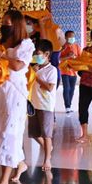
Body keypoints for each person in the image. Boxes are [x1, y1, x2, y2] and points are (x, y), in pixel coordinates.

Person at [0, 9, 35, 184]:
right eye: (3, 22)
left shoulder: (27, 44)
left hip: (15, 94)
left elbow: (17, 65)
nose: (4, 25)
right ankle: (19, 163)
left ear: (17, 25)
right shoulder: (3, 43)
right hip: (0, 92)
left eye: (8, 22)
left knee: (9, 134)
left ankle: (3, 182)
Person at [29, 39, 57, 172]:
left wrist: (36, 76)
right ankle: (48, 148)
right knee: (34, 133)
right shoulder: (34, 68)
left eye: (38, 53)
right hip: (34, 104)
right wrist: (32, 73)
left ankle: (47, 159)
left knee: (46, 135)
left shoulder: (52, 70)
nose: (36, 56)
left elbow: (50, 88)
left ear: (47, 54)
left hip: (46, 106)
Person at [60, 30, 82, 113]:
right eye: (70, 36)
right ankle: (67, 107)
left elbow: (80, 59)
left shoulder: (77, 46)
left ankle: (69, 104)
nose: (72, 38)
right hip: (64, 71)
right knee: (67, 88)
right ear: (66, 38)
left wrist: (75, 58)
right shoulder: (62, 47)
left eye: (73, 36)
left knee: (72, 89)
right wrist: (67, 56)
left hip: (74, 72)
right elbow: (58, 59)